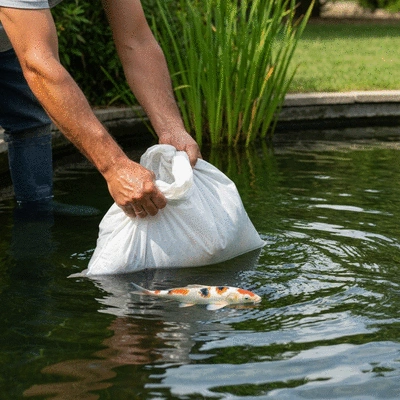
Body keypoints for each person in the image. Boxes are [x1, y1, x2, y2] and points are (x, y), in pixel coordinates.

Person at [0, 0, 201, 218]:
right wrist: (114, 166)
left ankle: (36, 210)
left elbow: (137, 41)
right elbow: (39, 65)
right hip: (15, 26)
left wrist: (171, 128)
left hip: (9, 34)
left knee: (31, 120)